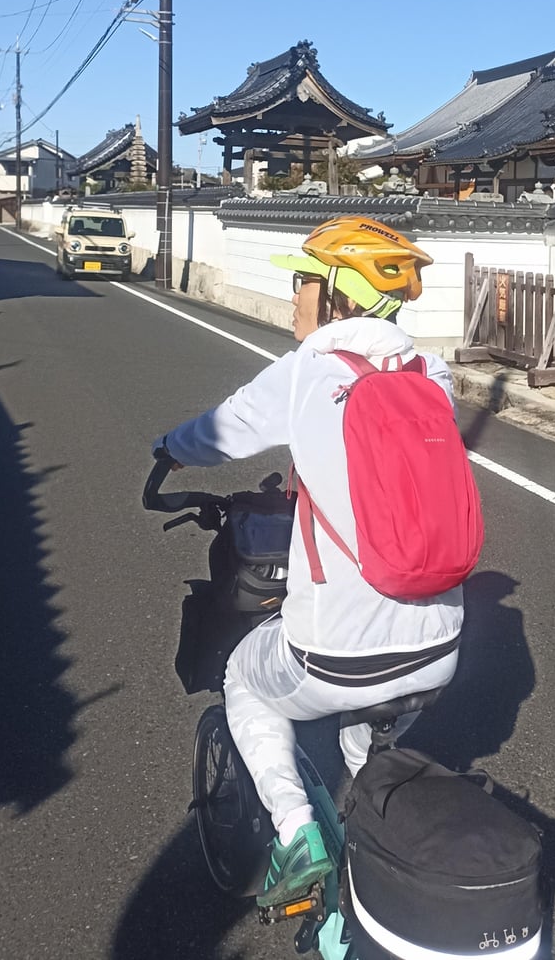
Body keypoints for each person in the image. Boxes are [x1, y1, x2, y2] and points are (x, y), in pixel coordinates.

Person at [152, 217, 464, 912]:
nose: (294, 294)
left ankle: (297, 834)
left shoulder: (309, 370)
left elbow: (225, 430)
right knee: (366, 729)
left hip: (334, 653)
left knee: (244, 679)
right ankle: (376, 823)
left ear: (337, 295)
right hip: (440, 649)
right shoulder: (433, 375)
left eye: (303, 281)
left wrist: (168, 449)